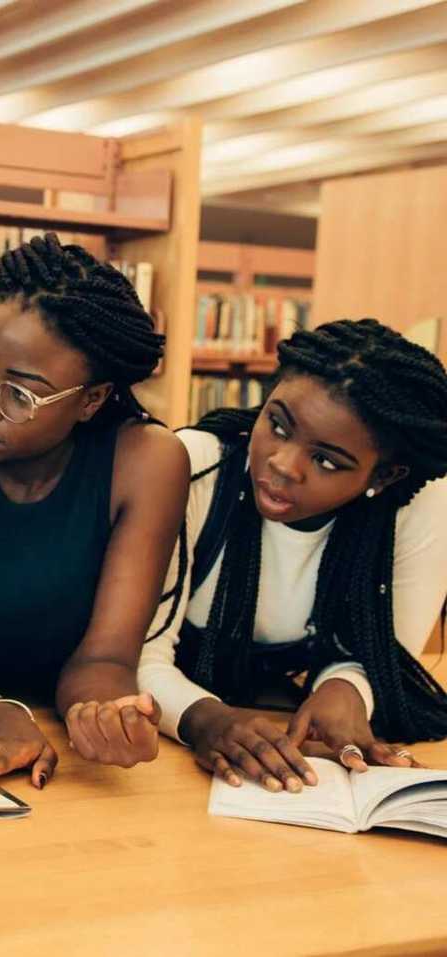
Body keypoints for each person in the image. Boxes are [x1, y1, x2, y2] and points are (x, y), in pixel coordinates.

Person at [0, 233, 189, 787]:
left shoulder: (147, 462)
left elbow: (105, 658)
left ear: (91, 400)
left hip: (51, 738)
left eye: (19, 395)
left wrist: (104, 715)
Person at [140, 319, 447, 792]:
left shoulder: (418, 508)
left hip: (280, 754)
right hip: (159, 755)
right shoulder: (192, 466)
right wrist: (207, 721)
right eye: (277, 424)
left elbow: (387, 657)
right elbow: (132, 653)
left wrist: (345, 689)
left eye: (326, 461)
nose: (283, 464)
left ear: (383, 478)